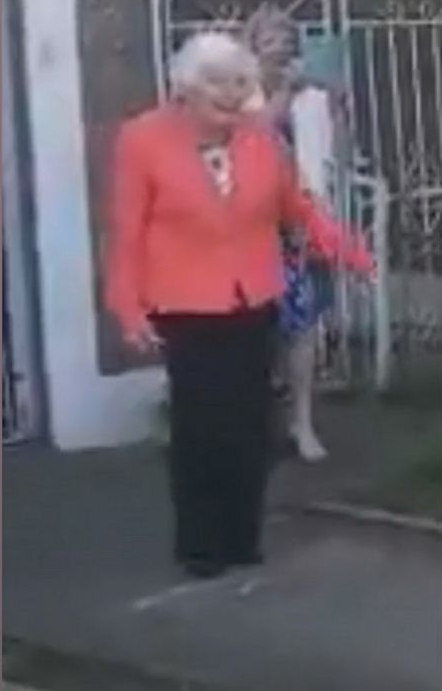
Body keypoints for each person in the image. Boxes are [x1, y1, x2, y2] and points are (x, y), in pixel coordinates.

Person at [104, 32, 373, 580]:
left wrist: (350, 252)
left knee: (251, 424)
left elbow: (297, 208)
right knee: (203, 427)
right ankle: (201, 546)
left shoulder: (260, 140)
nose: (233, 104)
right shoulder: (143, 140)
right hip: (185, 304)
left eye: (241, 91)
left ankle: (242, 536)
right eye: (221, 93)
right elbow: (126, 234)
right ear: (187, 90)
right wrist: (127, 309)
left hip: (253, 296)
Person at [242, 4, 350, 462]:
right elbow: (251, 139)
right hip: (249, 228)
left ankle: (302, 424)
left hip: (299, 225)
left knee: (303, 326)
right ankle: (256, 425)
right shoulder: (238, 94)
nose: (281, 49)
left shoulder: (310, 97)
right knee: (253, 331)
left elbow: (337, 155)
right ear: (252, 48)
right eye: (270, 41)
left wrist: (338, 108)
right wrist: (285, 91)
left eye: (287, 41)